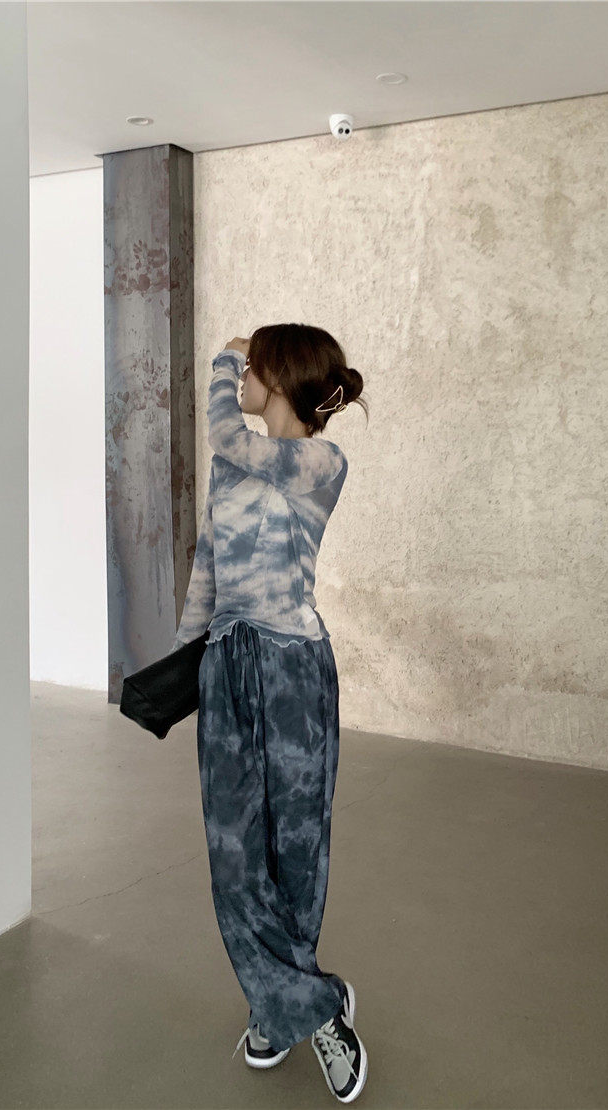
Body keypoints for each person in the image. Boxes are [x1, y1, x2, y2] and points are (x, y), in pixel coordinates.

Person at [172, 323, 369, 1103]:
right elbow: (208, 568)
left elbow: (226, 432)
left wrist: (223, 357)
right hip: (227, 667)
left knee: (296, 851)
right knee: (234, 857)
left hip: (293, 672)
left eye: (252, 368)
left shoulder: (321, 462)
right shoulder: (233, 469)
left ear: (277, 376)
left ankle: (283, 1005)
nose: (242, 378)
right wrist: (183, 665)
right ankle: (308, 1001)